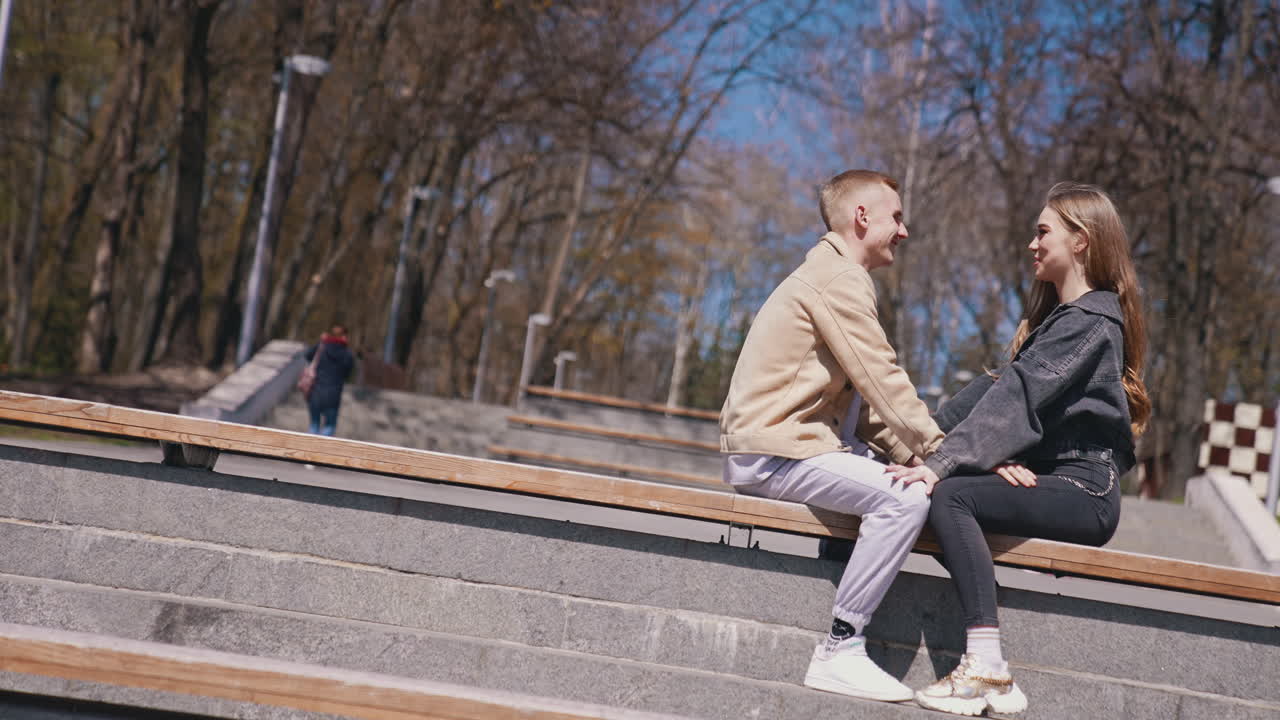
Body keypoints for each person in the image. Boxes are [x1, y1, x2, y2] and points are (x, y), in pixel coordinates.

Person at [891, 182, 1150, 716]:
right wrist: (909, 452)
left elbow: (1018, 396)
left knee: (952, 497)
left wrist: (942, 464)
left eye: (1043, 232)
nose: (1032, 244)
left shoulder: (1092, 322)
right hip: (1054, 480)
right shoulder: (1061, 321)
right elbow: (990, 392)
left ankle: (987, 665)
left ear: (1081, 240)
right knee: (934, 491)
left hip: (1085, 489)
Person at [719, 169, 945, 703]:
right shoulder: (839, 279)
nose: (903, 231)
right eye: (897, 217)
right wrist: (943, 452)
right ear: (862, 217)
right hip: (774, 451)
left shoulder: (828, 273)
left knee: (904, 480)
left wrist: (917, 454)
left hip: (780, 447)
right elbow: (882, 376)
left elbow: (865, 409)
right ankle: (840, 648)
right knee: (903, 498)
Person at [303, 325, 356, 436]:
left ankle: (309, 449)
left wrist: (321, 341)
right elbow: (348, 374)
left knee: (314, 424)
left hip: (316, 391)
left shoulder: (322, 347)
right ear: (345, 336)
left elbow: (307, 356)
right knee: (329, 425)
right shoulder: (347, 354)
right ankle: (322, 450)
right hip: (333, 394)